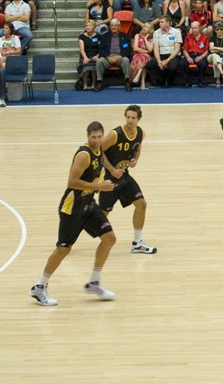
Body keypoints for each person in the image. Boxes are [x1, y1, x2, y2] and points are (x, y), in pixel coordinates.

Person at [29, 122, 118, 306]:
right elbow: (71, 182)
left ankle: (94, 282)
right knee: (64, 248)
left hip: (88, 204)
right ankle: (39, 287)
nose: (97, 140)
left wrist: (103, 181)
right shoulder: (84, 155)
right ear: (88, 136)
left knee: (109, 239)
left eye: (99, 137)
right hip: (72, 208)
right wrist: (99, 186)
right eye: (93, 137)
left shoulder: (99, 151)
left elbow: (96, 171)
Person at [98, 104, 157, 254]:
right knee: (100, 215)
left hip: (124, 177)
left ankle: (137, 243)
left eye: (133, 118)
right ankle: (70, 236)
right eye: (128, 117)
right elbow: (98, 151)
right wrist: (112, 169)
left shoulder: (140, 133)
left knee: (141, 204)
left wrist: (135, 160)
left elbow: (137, 148)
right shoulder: (115, 134)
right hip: (109, 179)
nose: (130, 120)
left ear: (138, 119)